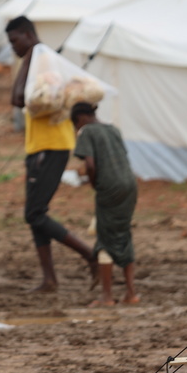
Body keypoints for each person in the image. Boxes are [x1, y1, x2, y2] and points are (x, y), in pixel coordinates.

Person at [5, 16, 96, 292]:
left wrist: (29, 57)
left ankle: (89, 254)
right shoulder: (38, 59)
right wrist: (27, 57)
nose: (13, 48)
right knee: (36, 212)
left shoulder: (43, 61)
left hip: (51, 145)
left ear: (28, 35)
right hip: (40, 146)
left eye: (15, 41)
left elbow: (18, 98)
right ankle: (49, 279)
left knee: (34, 214)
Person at [70, 102, 139, 307]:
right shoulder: (113, 129)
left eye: (75, 125)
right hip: (129, 185)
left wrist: (93, 182)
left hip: (109, 188)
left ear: (80, 119)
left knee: (105, 238)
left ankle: (107, 297)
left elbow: (90, 164)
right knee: (123, 233)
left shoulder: (87, 132)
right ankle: (131, 293)